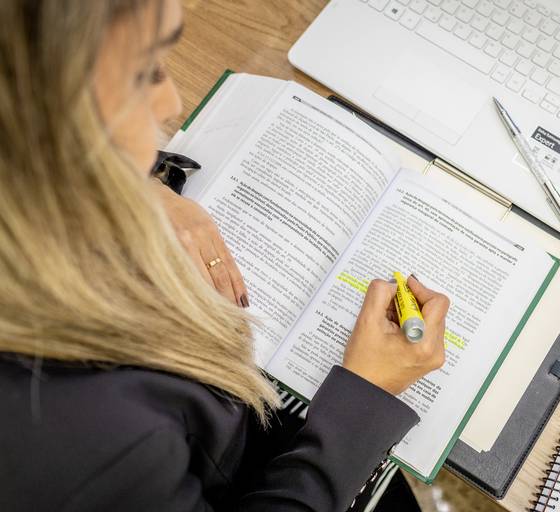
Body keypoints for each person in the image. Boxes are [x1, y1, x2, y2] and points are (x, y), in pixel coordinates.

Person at [0, 1, 449, 511]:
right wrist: (366, 392)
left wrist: (135, 184)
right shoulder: (93, 443)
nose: (171, 102)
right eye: (144, 73)